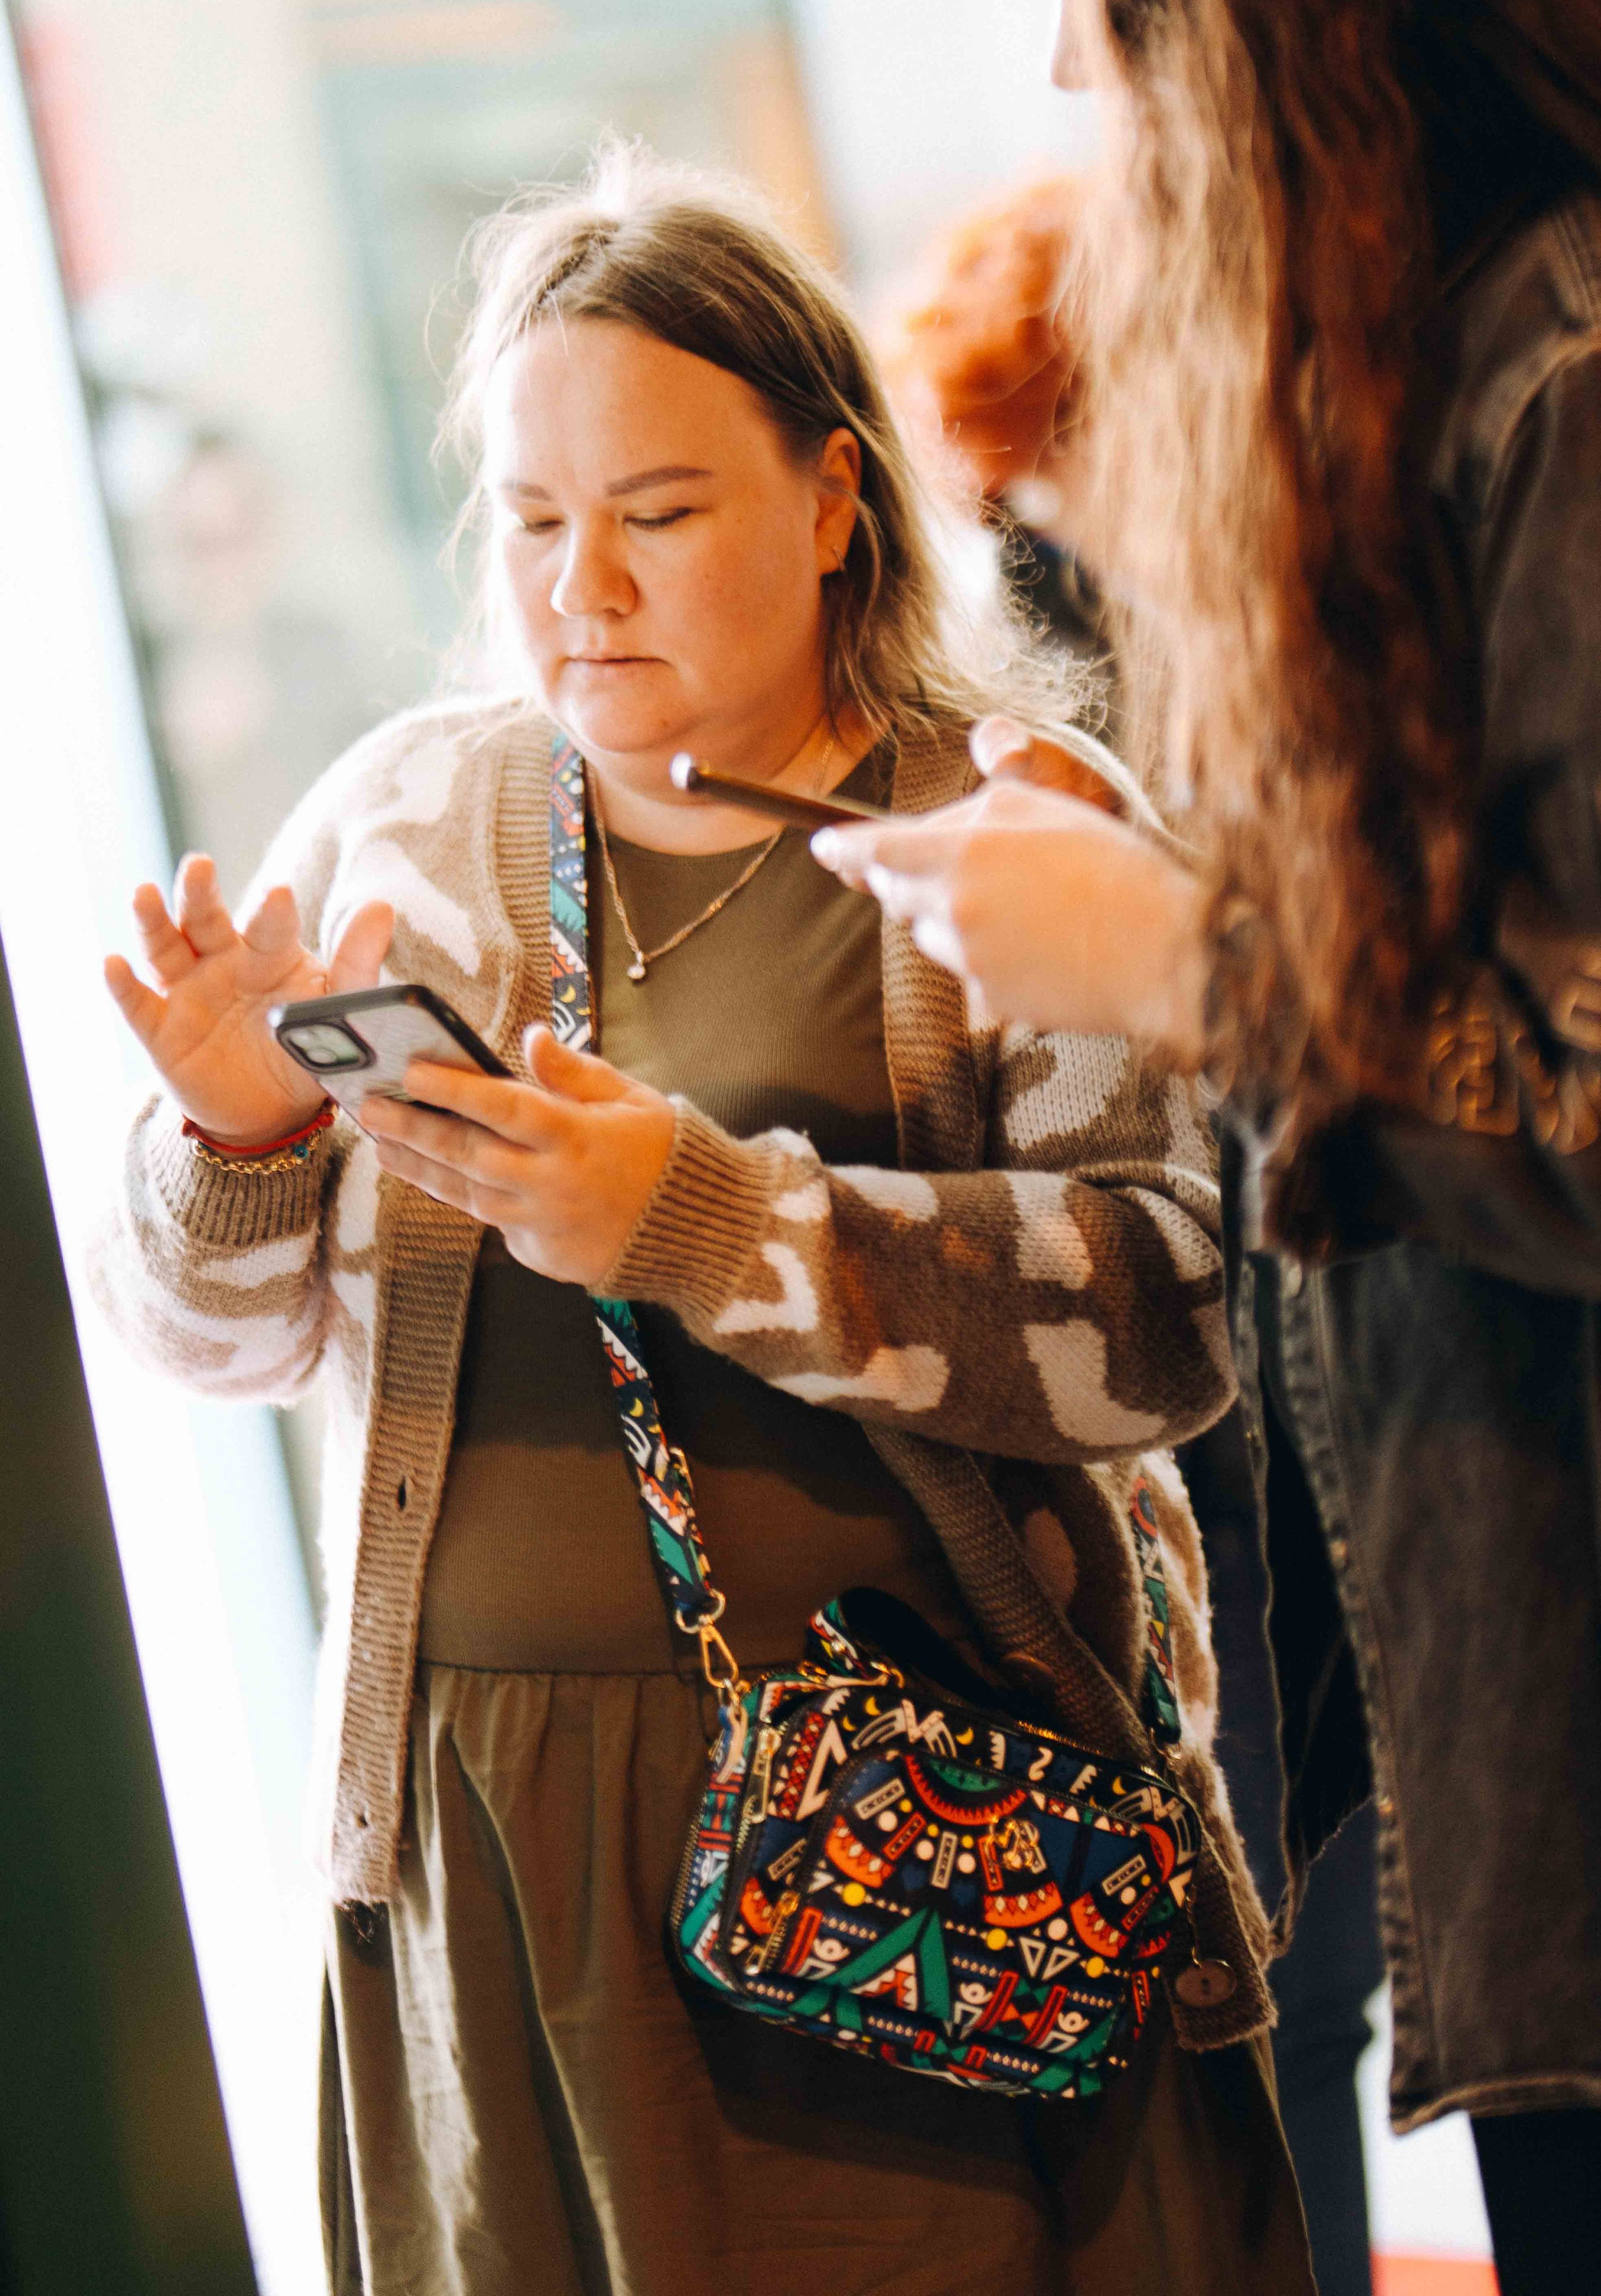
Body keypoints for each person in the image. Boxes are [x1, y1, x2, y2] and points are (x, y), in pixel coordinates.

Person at [90, 148, 1313, 2296]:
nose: (586, 588)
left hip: (934, 1833)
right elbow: (209, 1343)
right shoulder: (408, 813)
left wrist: (703, 1221)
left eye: (657, 516)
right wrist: (240, 1135)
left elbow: (1166, 1320)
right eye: (538, 524)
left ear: (837, 497)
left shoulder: (1008, 821)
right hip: (482, 1829)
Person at [813, 0, 1601, 2288]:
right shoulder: (1476, 361)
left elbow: (1599, 1107)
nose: (1073, 66)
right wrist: (1177, 891)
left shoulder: (1569, 371)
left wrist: (1197, 965)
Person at [883, 172, 1387, 2296]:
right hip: (1219, 1453)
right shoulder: (1041, 687)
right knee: (1276, 1983)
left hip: (1341, 1383)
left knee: (1321, 1972)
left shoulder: (1339, 634)